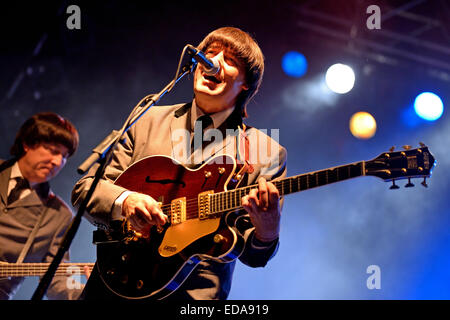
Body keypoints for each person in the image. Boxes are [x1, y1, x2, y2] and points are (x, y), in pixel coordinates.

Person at [72, 26, 287, 300]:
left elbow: (255, 257)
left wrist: (267, 232)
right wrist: (125, 201)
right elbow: (86, 189)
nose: (214, 62)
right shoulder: (147, 118)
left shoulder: (264, 151)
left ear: (247, 83)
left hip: (191, 295)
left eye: (230, 61)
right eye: (209, 54)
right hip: (112, 284)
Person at [0, 112, 88, 300]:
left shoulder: (60, 215)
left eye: (64, 157)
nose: (57, 162)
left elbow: (58, 282)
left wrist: (88, 291)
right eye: (52, 150)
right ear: (27, 144)